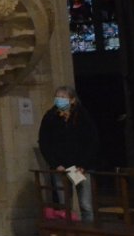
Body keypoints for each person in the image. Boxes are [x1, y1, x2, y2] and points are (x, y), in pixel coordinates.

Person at [37, 86, 99, 222]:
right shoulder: (50, 117)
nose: (59, 100)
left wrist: (83, 165)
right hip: (61, 168)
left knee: (86, 205)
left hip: (79, 168)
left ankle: (89, 235)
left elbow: (91, 141)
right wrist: (55, 164)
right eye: (57, 97)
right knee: (65, 205)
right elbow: (44, 143)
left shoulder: (82, 116)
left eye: (63, 97)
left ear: (72, 100)